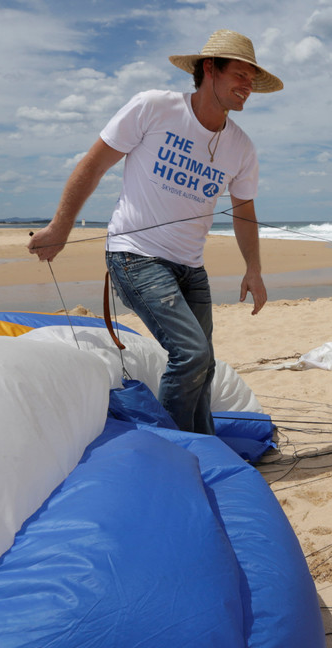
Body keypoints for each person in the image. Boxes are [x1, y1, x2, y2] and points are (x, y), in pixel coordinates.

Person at [27, 29, 282, 434]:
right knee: (192, 354)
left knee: (205, 364)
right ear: (210, 69)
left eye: (253, 79)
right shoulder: (154, 108)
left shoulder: (241, 147)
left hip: (190, 269)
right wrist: (61, 227)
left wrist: (254, 269)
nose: (248, 86)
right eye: (241, 75)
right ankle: (170, 451)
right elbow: (93, 165)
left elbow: (244, 210)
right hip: (135, 256)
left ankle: (202, 445)